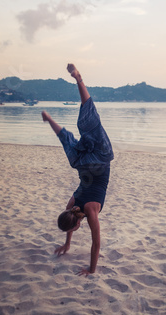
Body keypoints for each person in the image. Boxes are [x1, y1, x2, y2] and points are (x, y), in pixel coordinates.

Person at [42, 64, 114, 276]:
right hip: (82, 163)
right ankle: (52, 116)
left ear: (75, 226)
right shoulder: (72, 204)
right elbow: (70, 222)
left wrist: (91, 270)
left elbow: (96, 244)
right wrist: (67, 244)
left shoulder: (90, 212)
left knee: (90, 125)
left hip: (100, 158)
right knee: (82, 129)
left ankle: (79, 80)